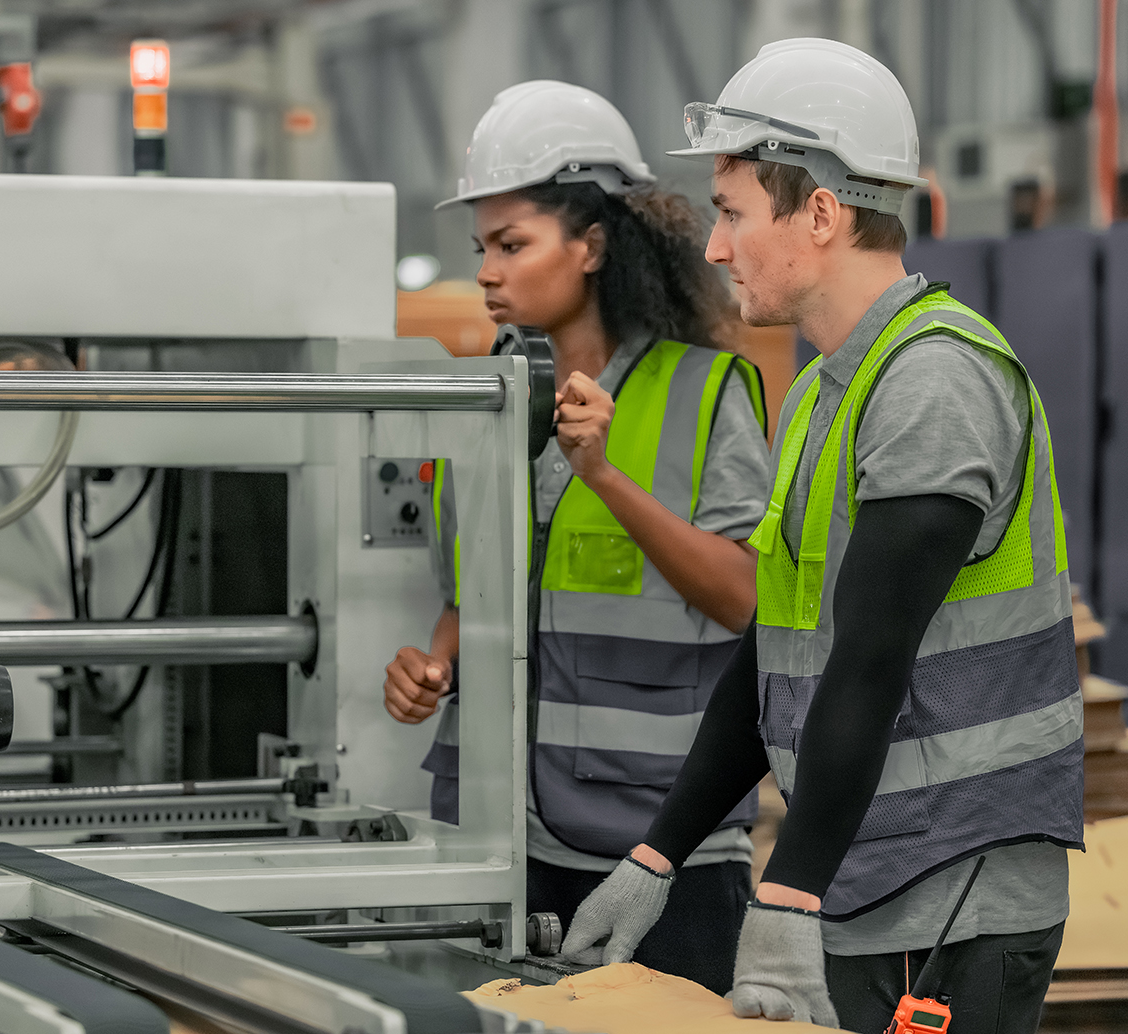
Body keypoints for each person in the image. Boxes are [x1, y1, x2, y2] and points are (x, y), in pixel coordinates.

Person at [559, 39, 1084, 1034]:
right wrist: (657, 853)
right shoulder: (825, 387)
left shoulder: (932, 381)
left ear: (821, 214)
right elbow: (779, 648)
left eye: (730, 214)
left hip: (946, 892)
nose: (713, 249)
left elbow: (870, 658)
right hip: (864, 873)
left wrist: (787, 893)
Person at [381, 81, 774, 994]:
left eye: (512, 244)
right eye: (481, 246)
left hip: (659, 847)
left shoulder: (701, 394)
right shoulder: (482, 404)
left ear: (592, 246)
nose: (486, 270)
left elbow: (746, 600)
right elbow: (473, 593)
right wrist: (434, 663)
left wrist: (604, 475)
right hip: (500, 836)